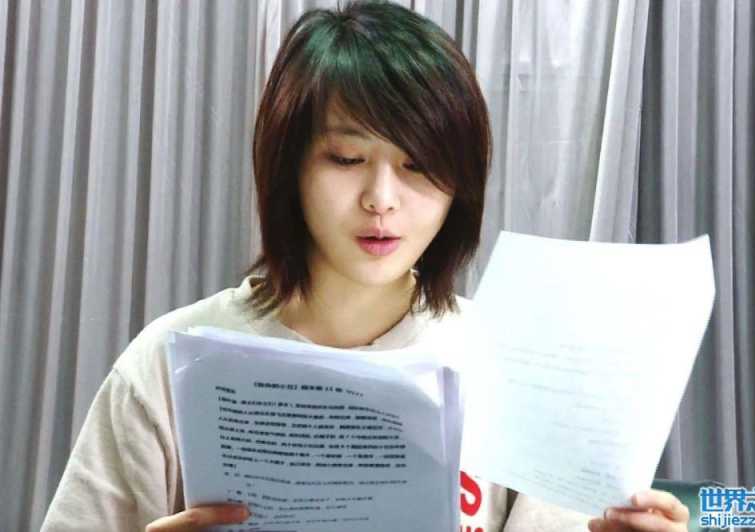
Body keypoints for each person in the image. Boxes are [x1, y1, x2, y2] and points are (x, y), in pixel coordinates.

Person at [41, 1, 691, 531]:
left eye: (418, 165)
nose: (382, 198)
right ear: (289, 167)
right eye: (347, 159)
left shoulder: (510, 367)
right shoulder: (169, 362)